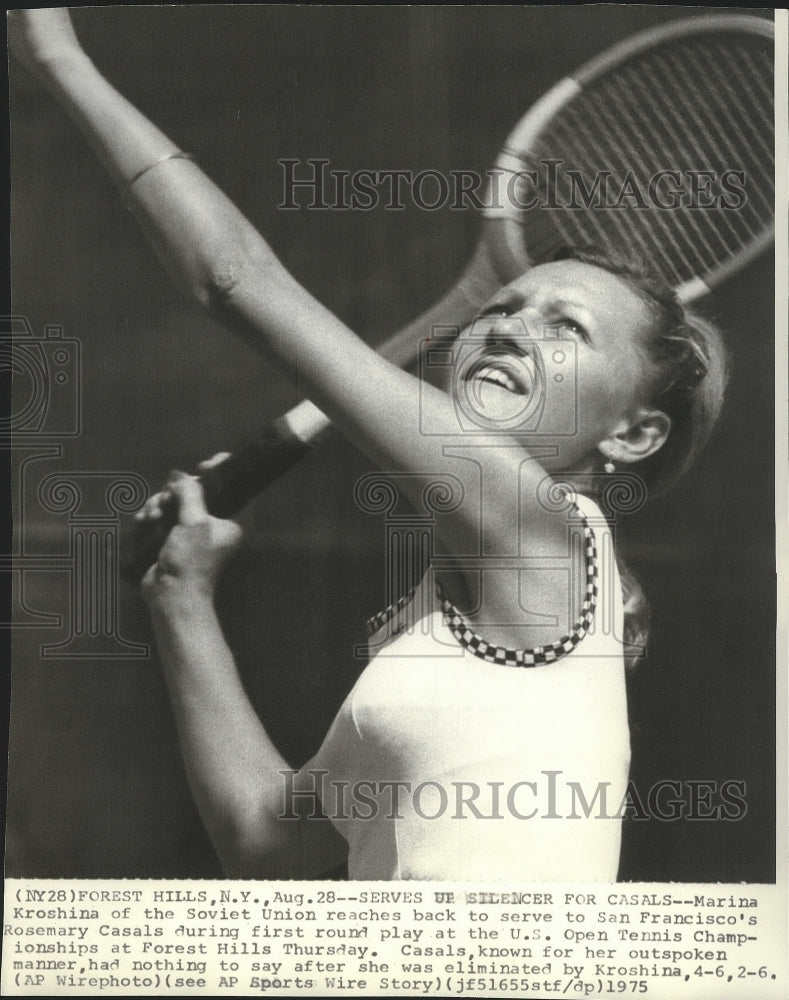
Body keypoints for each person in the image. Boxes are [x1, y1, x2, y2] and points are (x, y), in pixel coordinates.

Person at [9, 9, 727, 881]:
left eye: (564, 326)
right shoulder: (438, 628)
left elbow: (233, 280)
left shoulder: (551, 532)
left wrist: (57, 55)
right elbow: (268, 846)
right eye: (500, 308)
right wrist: (180, 595)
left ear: (635, 431)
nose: (507, 329)